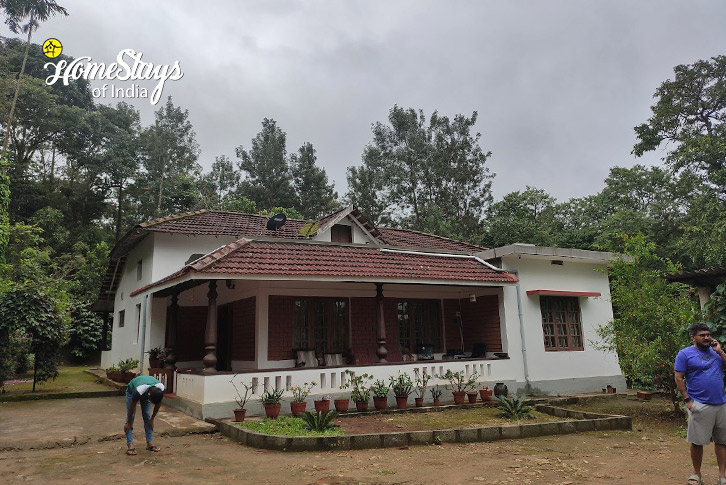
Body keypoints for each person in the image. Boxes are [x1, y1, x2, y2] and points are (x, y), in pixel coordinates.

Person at [675, 322, 726, 485]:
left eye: (708, 334)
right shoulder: (685, 354)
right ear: (693, 337)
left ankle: (722, 476)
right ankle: (697, 475)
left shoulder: (715, 352)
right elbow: (678, 377)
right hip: (700, 403)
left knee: (722, 441)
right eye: (702, 335)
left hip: (721, 403)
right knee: (697, 442)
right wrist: (687, 400)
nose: (706, 337)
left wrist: (720, 352)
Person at [123, 375, 165, 455]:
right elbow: (132, 406)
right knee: (131, 416)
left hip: (147, 391)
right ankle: (130, 444)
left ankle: (149, 443)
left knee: (146, 414)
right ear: (149, 395)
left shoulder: (160, 389)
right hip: (132, 391)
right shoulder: (139, 389)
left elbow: (158, 404)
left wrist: (152, 419)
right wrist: (129, 423)